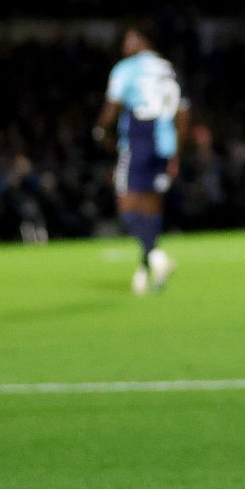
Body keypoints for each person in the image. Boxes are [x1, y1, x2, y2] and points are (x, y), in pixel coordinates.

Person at [94, 19, 188, 292]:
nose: (125, 45)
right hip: (165, 142)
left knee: (126, 205)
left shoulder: (127, 69)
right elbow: (183, 113)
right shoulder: (168, 68)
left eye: (129, 39)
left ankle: (156, 257)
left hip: (138, 138)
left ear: (141, 40)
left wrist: (100, 132)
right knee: (150, 206)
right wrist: (176, 154)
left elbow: (111, 108)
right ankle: (145, 269)